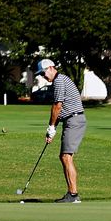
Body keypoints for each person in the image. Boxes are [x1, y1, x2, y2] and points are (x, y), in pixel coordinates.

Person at [38, 58, 84, 203]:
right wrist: (53, 130)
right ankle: (72, 194)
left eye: (44, 72)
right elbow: (60, 109)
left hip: (74, 120)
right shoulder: (61, 79)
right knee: (64, 157)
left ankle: (73, 194)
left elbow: (57, 106)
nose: (43, 76)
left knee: (66, 157)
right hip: (71, 120)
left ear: (51, 68)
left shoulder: (59, 80)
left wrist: (51, 127)